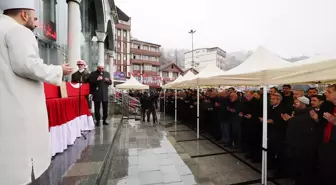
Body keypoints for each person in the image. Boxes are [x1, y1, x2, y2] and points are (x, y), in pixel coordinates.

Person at [0, 1, 73, 184]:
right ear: (24, 14)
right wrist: (58, 71)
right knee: (20, 165)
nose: (37, 23)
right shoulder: (18, 31)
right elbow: (28, 65)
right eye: (35, 17)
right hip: (17, 110)